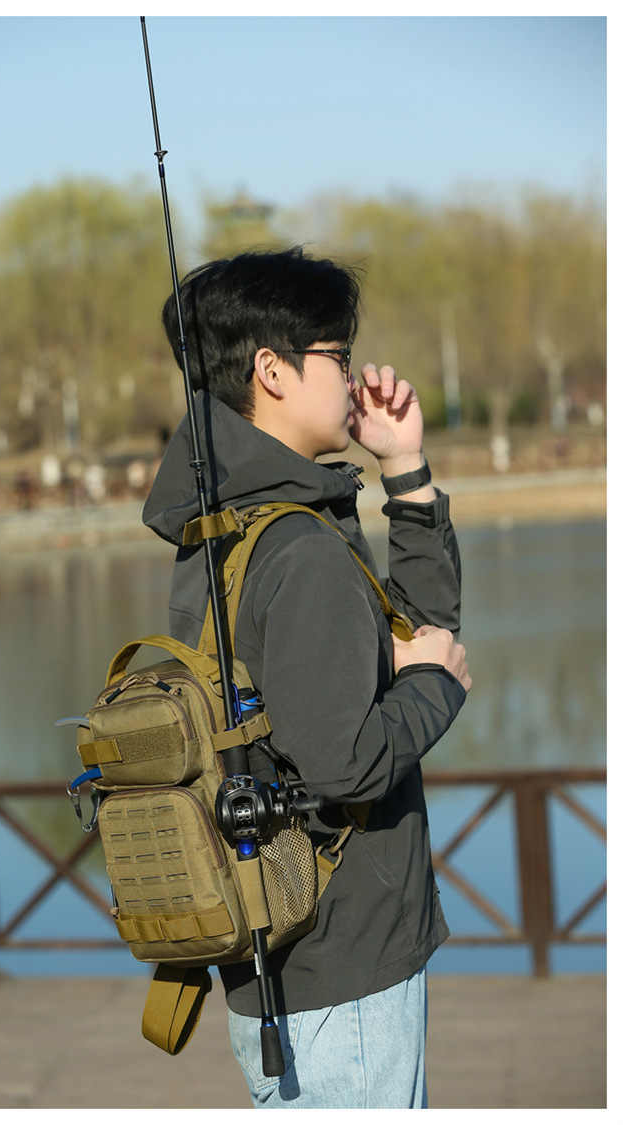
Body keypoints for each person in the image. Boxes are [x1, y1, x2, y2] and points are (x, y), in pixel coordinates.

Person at [142, 247, 471, 1109]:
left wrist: (405, 470)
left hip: (283, 959)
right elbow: (344, 762)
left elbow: (407, 633)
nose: (354, 374)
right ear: (272, 370)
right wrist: (436, 684)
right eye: (338, 353)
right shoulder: (299, 548)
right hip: (344, 971)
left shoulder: (226, 530)